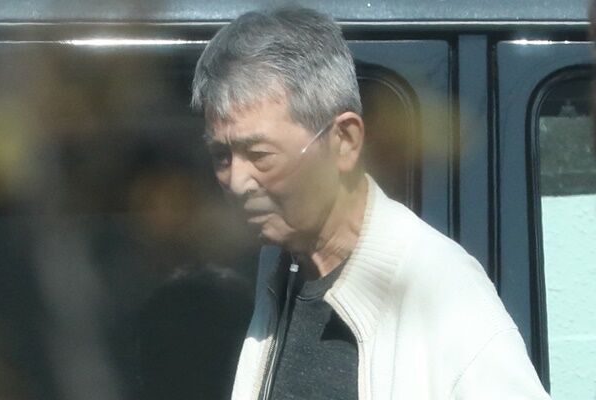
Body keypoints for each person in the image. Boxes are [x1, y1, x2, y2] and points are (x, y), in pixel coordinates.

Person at [191, 7, 551, 400]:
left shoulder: (441, 290)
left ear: (344, 140)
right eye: (221, 156)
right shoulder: (276, 271)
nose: (237, 182)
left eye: (260, 155)